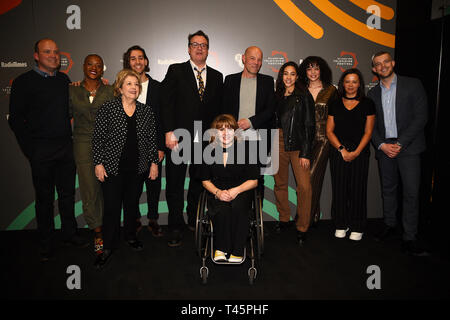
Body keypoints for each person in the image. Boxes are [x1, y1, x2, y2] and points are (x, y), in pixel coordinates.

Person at [8, 38, 86, 262]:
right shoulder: (23, 82)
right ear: (36, 56)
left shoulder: (64, 80)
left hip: (64, 147)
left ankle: (70, 234)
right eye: (47, 52)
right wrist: (31, 150)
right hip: (40, 150)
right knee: (44, 199)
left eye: (55, 51)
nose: (53, 55)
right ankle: (46, 241)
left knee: (68, 195)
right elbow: (15, 119)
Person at [161, 30, 223, 247]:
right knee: (175, 184)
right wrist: (168, 132)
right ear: (188, 48)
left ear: (208, 49)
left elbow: (218, 110)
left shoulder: (217, 76)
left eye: (203, 45)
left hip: (205, 140)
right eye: (195, 44)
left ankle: (193, 219)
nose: (199, 48)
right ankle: (175, 225)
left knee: (199, 182)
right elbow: (166, 104)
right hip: (178, 139)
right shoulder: (176, 70)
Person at [92, 69, 159, 269]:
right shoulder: (108, 108)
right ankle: (107, 247)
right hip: (112, 168)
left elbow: (151, 139)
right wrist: (98, 163)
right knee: (111, 209)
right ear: (120, 88)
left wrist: (154, 162)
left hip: (137, 169)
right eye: (129, 84)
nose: (133, 87)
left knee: (131, 206)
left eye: (136, 84)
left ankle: (130, 236)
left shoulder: (146, 111)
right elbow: (98, 138)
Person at [367, 51, 429, 256]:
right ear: (374, 69)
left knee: (411, 193)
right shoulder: (372, 94)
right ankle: (390, 224)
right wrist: (381, 145)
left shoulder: (413, 84)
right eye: (378, 64)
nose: (383, 66)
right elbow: (371, 126)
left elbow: (421, 117)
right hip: (385, 149)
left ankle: (409, 237)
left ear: (392, 63)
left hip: (409, 148)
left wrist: (401, 143)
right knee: (388, 189)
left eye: (386, 62)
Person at [69, 54, 114, 257]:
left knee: (109, 188)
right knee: (89, 189)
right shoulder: (72, 90)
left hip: (108, 144)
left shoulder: (111, 89)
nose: (94, 68)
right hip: (83, 143)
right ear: (83, 66)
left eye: (98, 65)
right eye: (90, 64)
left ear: (103, 69)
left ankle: (110, 228)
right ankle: (97, 232)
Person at [200, 114, 259, 262]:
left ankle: (237, 250)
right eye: (221, 130)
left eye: (229, 129)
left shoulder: (246, 149)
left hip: (242, 189)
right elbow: (205, 180)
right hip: (218, 191)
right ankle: (221, 248)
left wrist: (236, 190)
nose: (226, 133)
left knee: (239, 207)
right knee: (222, 209)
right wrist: (218, 192)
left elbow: (254, 181)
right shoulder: (209, 150)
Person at [222, 46, 276, 206]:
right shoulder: (230, 80)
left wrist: (250, 122)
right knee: (232, 178)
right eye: (252, 58)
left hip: (259, 138)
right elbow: (223, 108)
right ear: (244, 58)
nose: (256, 62)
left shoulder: (267, 81)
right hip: (234, 139)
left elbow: (271, 110)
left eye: (259, 59)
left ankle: (255, 220)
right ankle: (235, 217)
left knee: (256, 180)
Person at [326, 68, 375, 241]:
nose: (351, 85)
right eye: (347, 81)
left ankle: (357, 225)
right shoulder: (335, 104)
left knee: (357, 190)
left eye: (354, 81)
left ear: (359, 84)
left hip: (360, 152)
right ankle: (340, 224)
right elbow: (329, 131)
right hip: (339, 152)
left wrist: (356, 152)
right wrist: (342, 150)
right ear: (342, 84)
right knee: (339, 189)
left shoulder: (368, 103)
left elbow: (368, 132)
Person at [123, 45, 164, 237]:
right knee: (133, 186)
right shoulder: (122, 86)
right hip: (130, 147)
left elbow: (163, 119)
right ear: (128, 62)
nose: (137, 61)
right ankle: (135, 218)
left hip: (153, 145)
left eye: (140, 58)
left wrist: (161, 147)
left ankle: (153, 219)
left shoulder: (157, 87)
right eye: (133, 58)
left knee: (154, 185)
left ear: (146, 61)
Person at [273, 61, 315, 245]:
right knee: (280, 183)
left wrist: (306, 152)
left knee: (304, 187)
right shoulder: (277, 95)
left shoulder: (304, 95)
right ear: (281, 76)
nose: (288, 77)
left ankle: (303, 226)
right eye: (285, 73)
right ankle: (284, 219)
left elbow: (309, 125)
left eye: (292, 74)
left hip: (298, 144)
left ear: (297, 77)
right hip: (278, 142)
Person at [298, 56, 337, 227]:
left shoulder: (331, 90)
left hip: (323, 139)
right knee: (307, 180)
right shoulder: (300, 89)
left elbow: (337, 117)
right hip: (303, 141)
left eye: (316, 68)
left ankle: (304, 219)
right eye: (309, 68)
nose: (313, 72)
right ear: (304, 72)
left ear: (322, 70)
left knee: (312, 178)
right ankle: (312, 215)